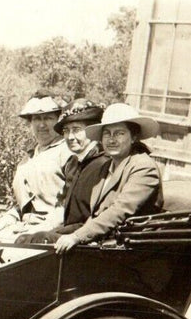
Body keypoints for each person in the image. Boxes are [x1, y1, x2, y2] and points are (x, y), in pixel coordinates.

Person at [54, 103, 164, 254]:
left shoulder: (143, 167)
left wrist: (77, 236)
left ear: (134, 138)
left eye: (119, 133)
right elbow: (96, 214)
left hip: (132, 250)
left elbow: (120, 210)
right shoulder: (105, 167)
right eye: (107, 134)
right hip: (105, 245)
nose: (111, 140)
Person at [0, 92, 71, 241]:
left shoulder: (67, 152)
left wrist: (39, 229)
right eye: (36, 119)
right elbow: (26, 203)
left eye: (48, 118)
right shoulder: (28, 156)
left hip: (54, 230)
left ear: (59, 121)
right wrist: (7, 219)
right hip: (25, 226)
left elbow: (70, 206)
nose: (42, 125)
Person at [17, 98, 111, 244]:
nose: (70, 137)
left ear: (93, 132)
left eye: (77, 130)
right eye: (66, 131)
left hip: (89, 237)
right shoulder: (76, 162)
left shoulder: (103, 164)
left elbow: (98, 216)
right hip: (71, 230)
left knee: (31, 240)